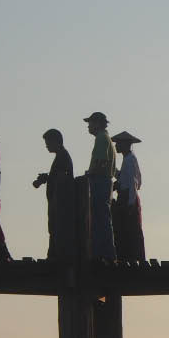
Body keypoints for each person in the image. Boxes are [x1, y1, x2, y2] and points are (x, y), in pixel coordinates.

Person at [32, 129, 74, 259]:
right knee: (55, 229)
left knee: (57, 229)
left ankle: (56, 256)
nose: (47, 146)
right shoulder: (61, 156)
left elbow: (62, 179)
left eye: (48, 142)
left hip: (60, 202)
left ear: (56, 141)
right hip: (57, 200)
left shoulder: (62, 156)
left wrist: (47, 178)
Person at [84, 111, 117, 260]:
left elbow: (101, 162)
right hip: (104, 181)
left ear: (96, 123)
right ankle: (105, 253)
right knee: (102, 218)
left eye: (90, 123)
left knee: (100, 218)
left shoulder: (101, 138)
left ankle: (103, 254)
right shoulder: (106, 138)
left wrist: (90, 174)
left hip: (100, 181)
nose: (88, 126)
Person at [111, 131, 146, 262]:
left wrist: (130, 203)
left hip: (128, 198)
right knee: (128, 229)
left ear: (125, 145)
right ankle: (129, 257)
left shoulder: (130, 160)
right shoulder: (128, 159)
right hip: (127, 197)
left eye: (118, 143)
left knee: (130, 230)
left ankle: (131, 258)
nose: (116, 146)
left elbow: (133, 183)